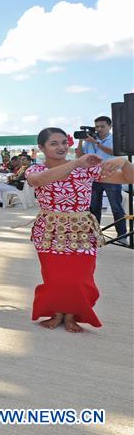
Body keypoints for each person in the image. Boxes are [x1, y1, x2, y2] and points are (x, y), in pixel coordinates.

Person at [26, 128, 133, 331]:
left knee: (80, 278)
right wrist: (76, 162)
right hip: (50, 230)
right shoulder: (35, 170)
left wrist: (122, 161)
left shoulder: (85, 170)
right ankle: (57, 313)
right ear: (41, 148)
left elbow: (127, 178)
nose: (61, 147)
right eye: (54, 143)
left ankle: (71, 315)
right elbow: (39, 181)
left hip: (81, 230)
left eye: (64, 143)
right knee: (54, 277)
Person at [75, 116, 125, 237]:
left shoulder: (114, 139)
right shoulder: (89, 140)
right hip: (94, 178)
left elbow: (115, 152)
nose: (99, 129)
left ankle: (122, 235)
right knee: (94, 208)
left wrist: (96, 143)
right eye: (97, 126)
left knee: (116, 208)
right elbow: (80, 156)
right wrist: (81, 140)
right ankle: (95, 235)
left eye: (102, 126)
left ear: (110, 126)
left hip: (111, 177)